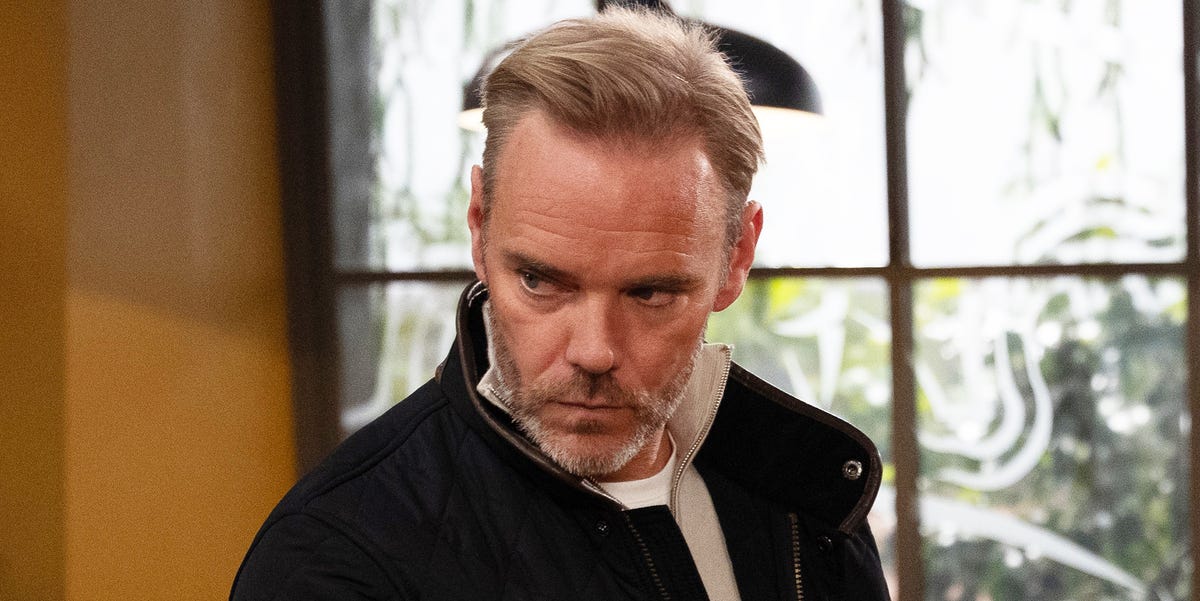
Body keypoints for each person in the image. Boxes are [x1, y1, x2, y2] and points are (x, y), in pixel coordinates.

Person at [231, 6, 889, 600]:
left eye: (650, 292)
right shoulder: (338, 559)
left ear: (737, 254)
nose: (593, 351)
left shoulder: (810, 493)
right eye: (541, 282)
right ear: (479, 225)